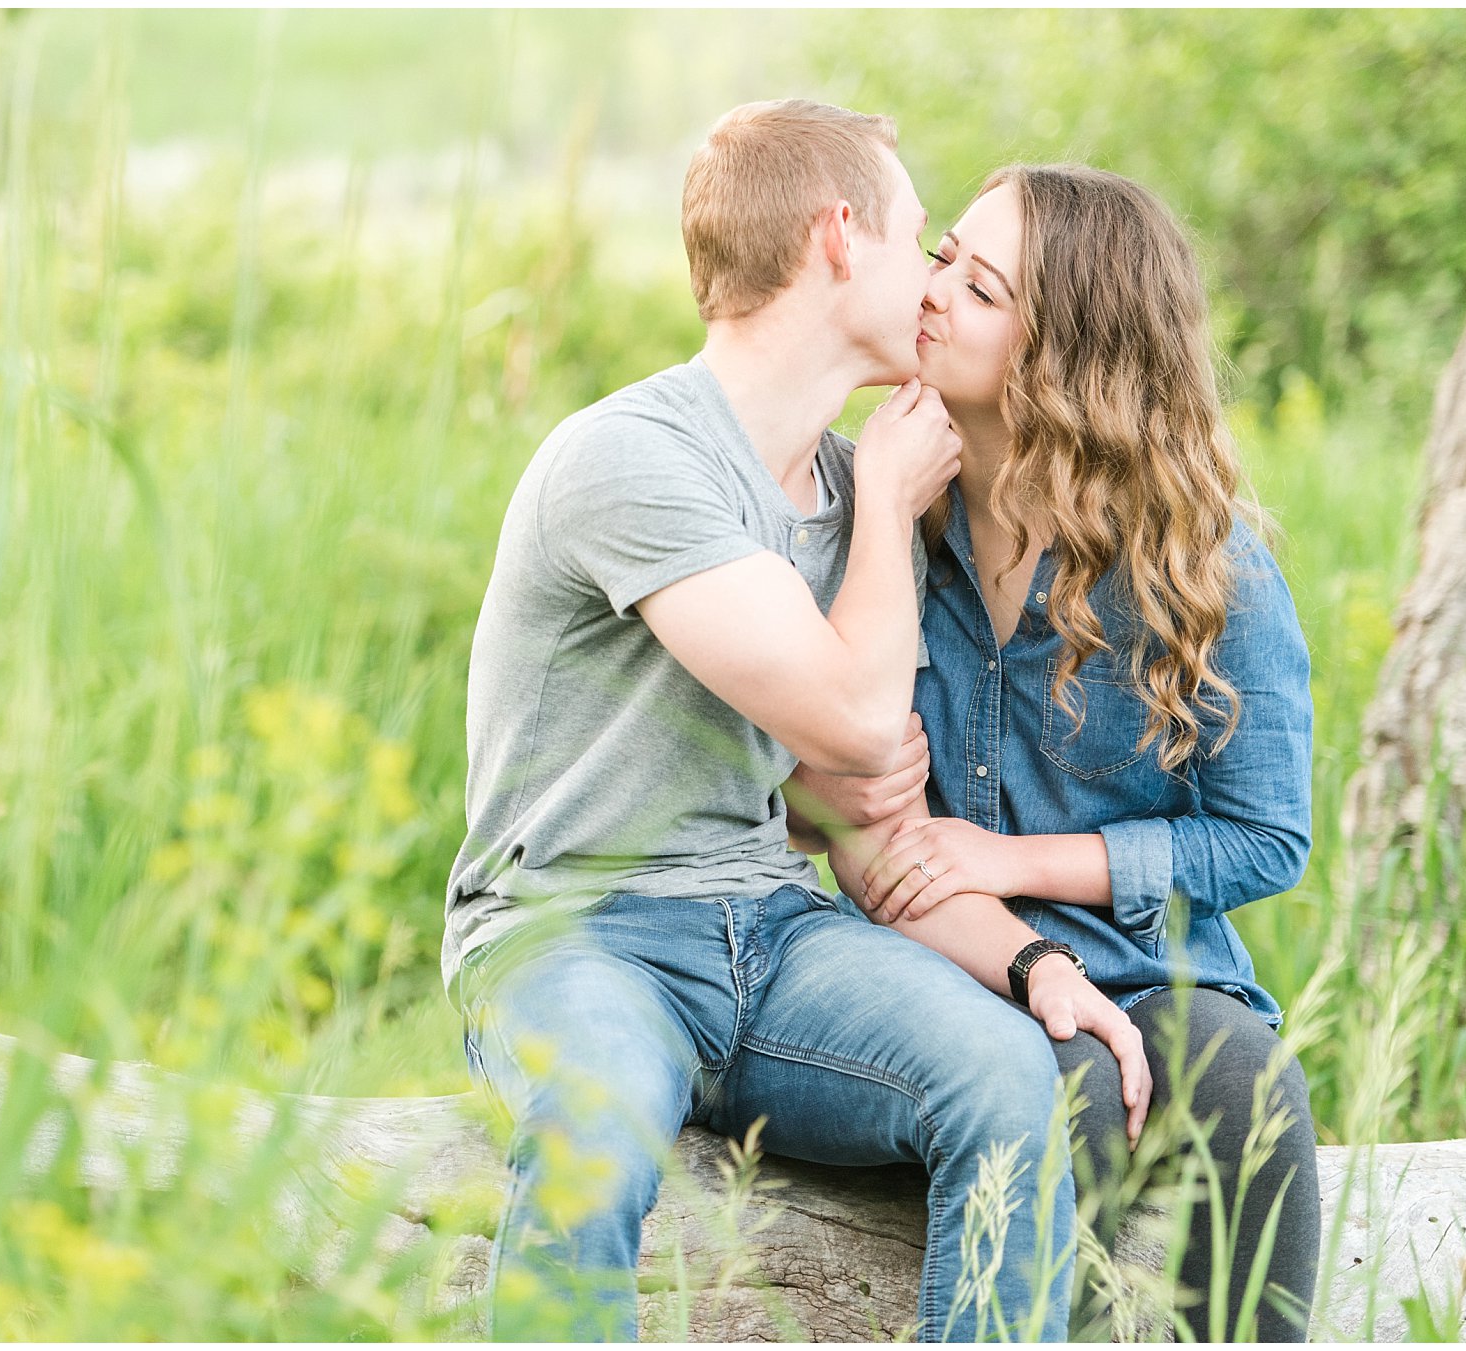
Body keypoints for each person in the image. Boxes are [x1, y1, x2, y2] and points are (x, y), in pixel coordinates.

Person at [446, 103, 1137, 1342]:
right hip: (572, 932)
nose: (935, 279)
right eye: (918, 237)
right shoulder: (632, 458)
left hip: (767, 932)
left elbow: (856, 820)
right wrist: (881, 506)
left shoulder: (839, 487)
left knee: (1000, 1073)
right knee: (595, 1110)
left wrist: (1037, 964)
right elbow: (859, 725)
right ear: (836, 236)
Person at [794, 164, 1320, 1340]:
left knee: (1244, 1084)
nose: (931, 294)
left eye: (978, 290)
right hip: (950, 968)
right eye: (944, 261)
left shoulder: (1199, 563)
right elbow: (807, 785)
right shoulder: (872, 515)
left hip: (1153, 964)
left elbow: (1264, 836)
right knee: (1060, 1093)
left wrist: (1013, 857)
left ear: (1063, 361)